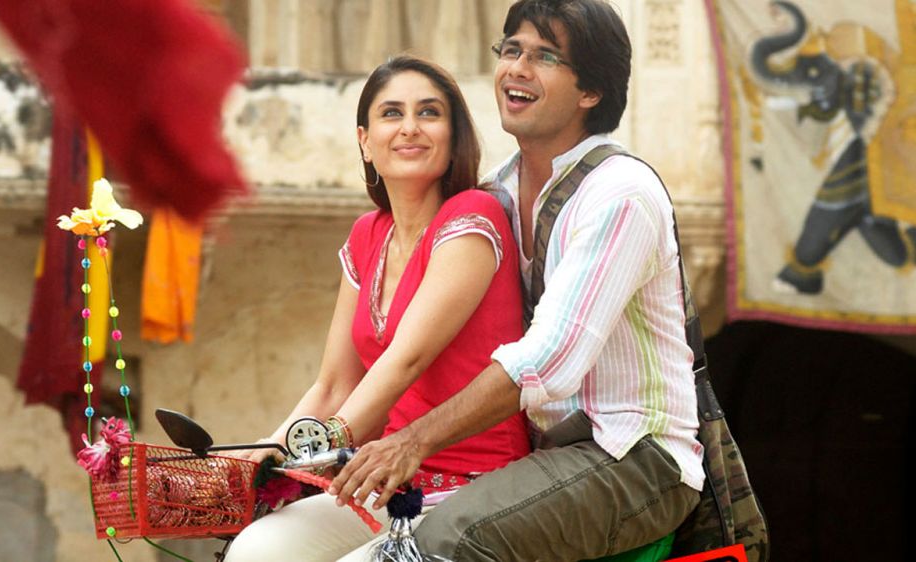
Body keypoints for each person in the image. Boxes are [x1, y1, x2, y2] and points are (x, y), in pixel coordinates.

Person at [330, 1, 706, 560]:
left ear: (591, 91)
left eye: (545, 57)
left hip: (634, 456)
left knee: (448, 537)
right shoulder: (497, 192)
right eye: (511, 50)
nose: (518, 69)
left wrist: (413, 440)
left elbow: (548, 359)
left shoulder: (620, 193)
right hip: (546, 452)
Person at [225, 55, 531, 562]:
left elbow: (406, 360)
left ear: (453, 137)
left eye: (429, 112)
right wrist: (264, 452)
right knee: (255, 551)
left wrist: (316, 444)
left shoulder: (473, 216)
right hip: (388, 480)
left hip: (474, 486)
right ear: (365, 141)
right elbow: (333, 384)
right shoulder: (368, 234)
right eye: (392, 113)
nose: (410, 127)